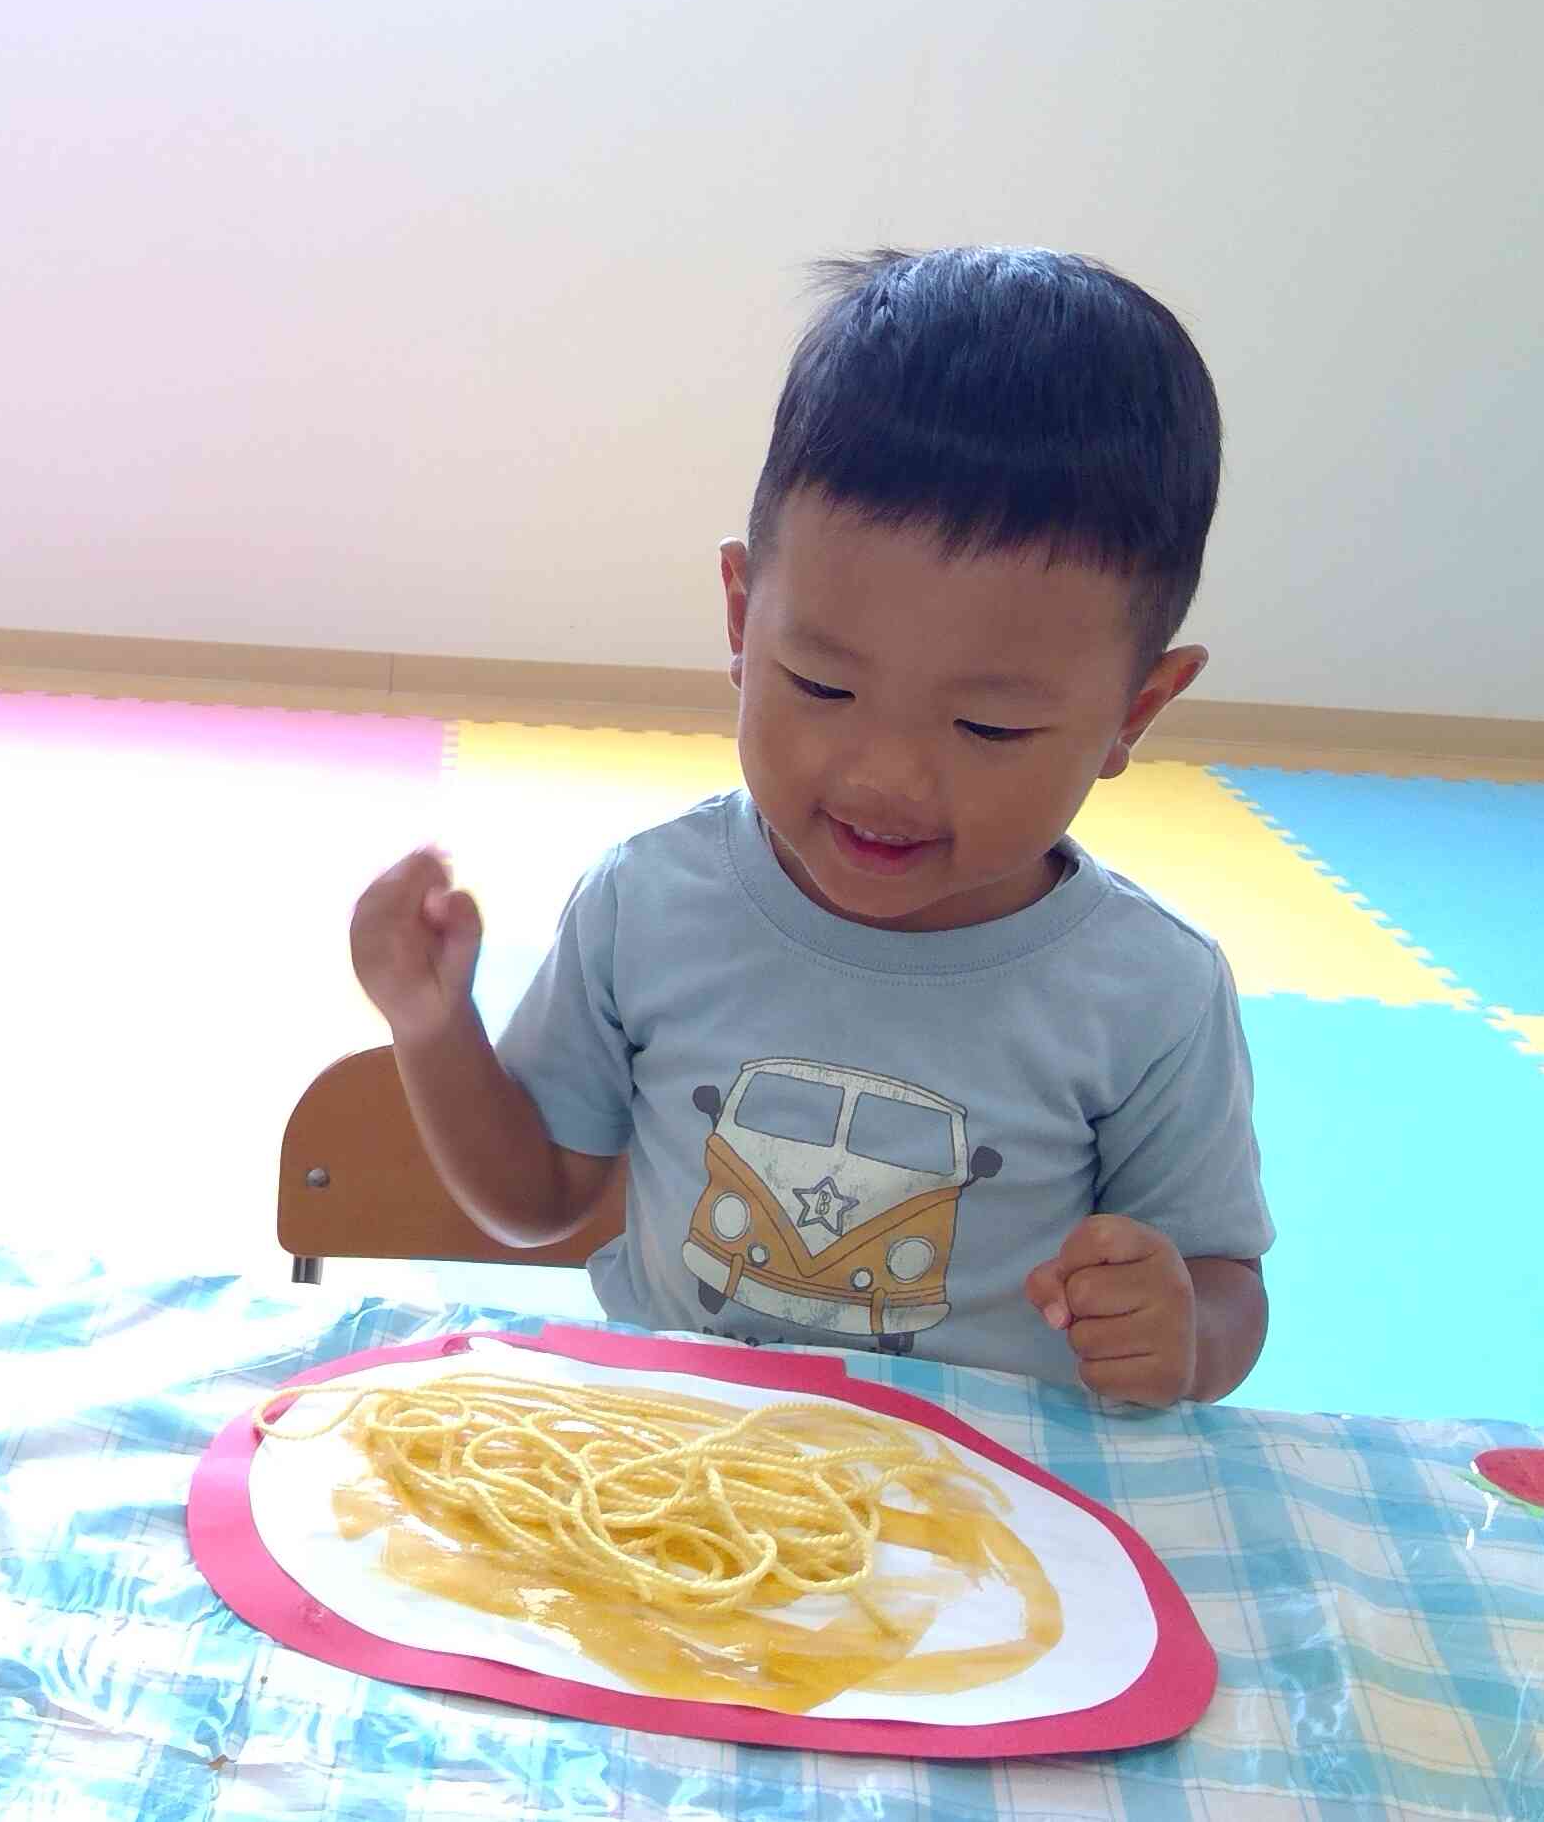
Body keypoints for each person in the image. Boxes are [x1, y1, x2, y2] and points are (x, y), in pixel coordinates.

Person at [351, 247, 1268, 1404]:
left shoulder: (1149, 992)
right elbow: (533, 1203)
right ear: (742, 617)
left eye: (987, 726)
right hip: (675, 1472)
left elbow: (1225, 1281)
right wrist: (432, 1028)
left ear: (1136, 709)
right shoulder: (648, 903)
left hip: (983, 1510)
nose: (885, 778)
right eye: (822, 688)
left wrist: (1187, 1334)